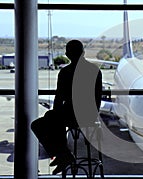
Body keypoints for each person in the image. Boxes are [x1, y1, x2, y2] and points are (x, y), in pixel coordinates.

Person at [31, 40, 102, 175]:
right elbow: (97, 97)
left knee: (38, 124)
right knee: (54, 118)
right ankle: (63, 155)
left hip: (71, 115)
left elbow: (59, 99)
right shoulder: (95, 70)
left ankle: (63, 155)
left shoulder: (65, 72)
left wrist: (53, 114)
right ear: (83, 53)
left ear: (67, 54)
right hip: (90, 116)